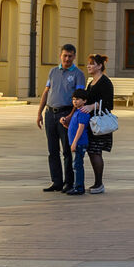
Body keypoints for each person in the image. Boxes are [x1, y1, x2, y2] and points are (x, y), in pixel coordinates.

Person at [37, 43, 84, 192]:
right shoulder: (53, 72)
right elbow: (46, 92)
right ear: (60, 55)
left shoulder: (78, 74)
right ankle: (56, 181)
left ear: (74, 56)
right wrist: (39, 113)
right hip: (50, 113)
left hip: (65, 114)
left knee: (67, 150)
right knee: (52, 150)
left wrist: (70, 116)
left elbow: (80, 98)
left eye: (70, 56)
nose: (67, 59)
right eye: (65, 55)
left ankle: (68, 182)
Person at [67, 52, 114, 193]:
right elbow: (84, 98)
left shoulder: (105, 82)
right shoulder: (91, 82)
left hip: (99, 124)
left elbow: (108, 104)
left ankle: (99, 184)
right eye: (88, 63)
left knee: (96, 152)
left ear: (99, 66)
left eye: (92, 64)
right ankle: (96, 183)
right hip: (90, 124)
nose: (88, 66)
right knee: (92, 152)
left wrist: (92, 106)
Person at [65, 88, 93, 195]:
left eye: (77, 99)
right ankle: (78, 186)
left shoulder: (83, 112)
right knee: (76, 164)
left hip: (80, 143)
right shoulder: (77, 111)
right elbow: (73, 127)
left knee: (77, 165)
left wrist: (75, 142)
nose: (75, 101)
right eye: (73, 99)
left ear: (84, 101)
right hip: (76, 142)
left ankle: (79, 187)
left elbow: (81, 128)